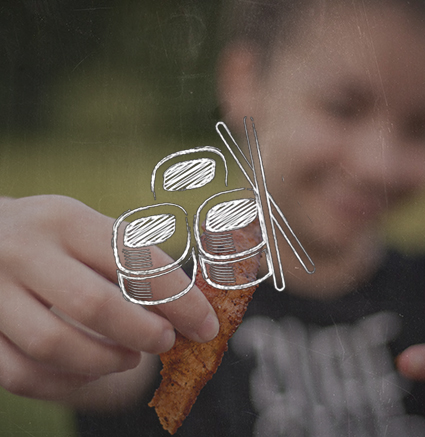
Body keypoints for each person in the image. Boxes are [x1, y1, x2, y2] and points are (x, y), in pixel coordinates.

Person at [1, 0, 425, 435]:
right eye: (342, 107)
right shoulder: (166, 303)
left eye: (419, 126)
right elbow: (95, 341)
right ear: (244, 81)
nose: (380, 165)